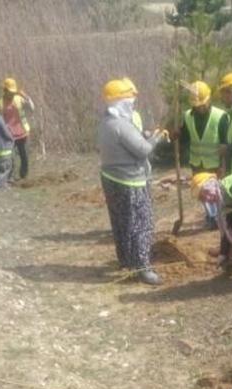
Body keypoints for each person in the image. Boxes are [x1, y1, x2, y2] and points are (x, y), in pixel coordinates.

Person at [97, 78, 168, 286]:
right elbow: (143, 150)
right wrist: (155, 138)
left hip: (111, 178)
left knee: (122, 223)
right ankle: (143, 267)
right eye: (130, 100)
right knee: (142, 224)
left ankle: (126, 260)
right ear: (122, 102)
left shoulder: (105, 123)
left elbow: (125, 142)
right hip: (130, 182)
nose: (133, 104)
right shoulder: (121, 125)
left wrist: (142, 135)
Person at [181, 80, 229, 229]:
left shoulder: (220, 116)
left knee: (217, 193)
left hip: (214, 163)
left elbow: (225, 144)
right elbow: (186, 138)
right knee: (203, 194)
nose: (200, 107)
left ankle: (220, 218)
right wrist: (176, 134)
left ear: (209, 99)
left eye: (203, 104)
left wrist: (223, 165)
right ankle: (210, 217)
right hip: (197, 162)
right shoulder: (188, 116)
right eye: (197, 105)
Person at [0, 77, 35, 180]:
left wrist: (27, 97)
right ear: (5, 91)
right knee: (11, 158)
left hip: (22, 133)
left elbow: (32, 109)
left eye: (13, 92)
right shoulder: (0, 103)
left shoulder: (19, 99)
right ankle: (10, 177)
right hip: (9, 135)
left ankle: (23, 176)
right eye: (10, 92)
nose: (12, 94)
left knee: (24, 156)